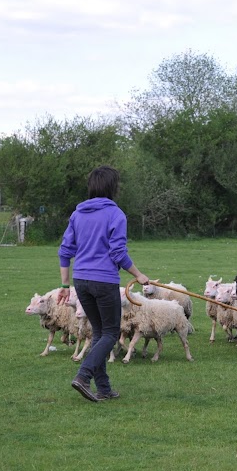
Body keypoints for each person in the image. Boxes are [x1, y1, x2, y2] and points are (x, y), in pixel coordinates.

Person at [56, 165, 149, 402]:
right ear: (112, 187)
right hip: (104, 281)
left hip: (81, 282)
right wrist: (139, 275)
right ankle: (83, 376)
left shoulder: (77, 214)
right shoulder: (116, 214)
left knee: (99, 332)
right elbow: (118, 253)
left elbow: (65, 251)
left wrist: (65, 286)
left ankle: (104, 388)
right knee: (110, 333)